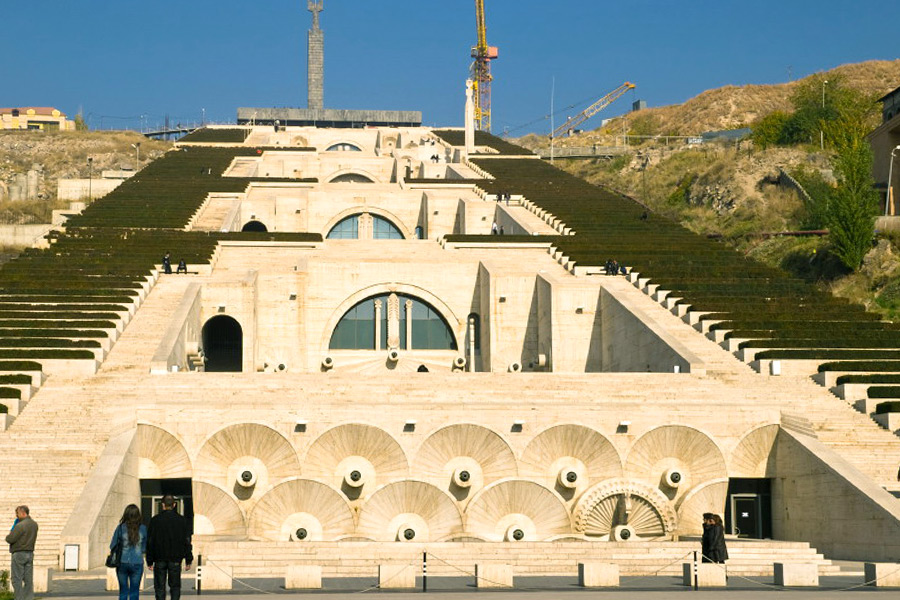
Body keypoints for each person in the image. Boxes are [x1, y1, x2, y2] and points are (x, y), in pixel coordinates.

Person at [147, 496, 193, 600]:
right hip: (175, 558)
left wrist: (149, 560)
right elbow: (187, 541)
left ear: (162, 505)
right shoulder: (182, 521)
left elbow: (150, 541)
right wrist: (188, 559)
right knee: (175, 587)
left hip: (159, 558)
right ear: (174, 505)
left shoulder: (155, 520)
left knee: (159, 587)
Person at [111, 504, 147, 600]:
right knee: (134, 592)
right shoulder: (143, 528)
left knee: (123, 591)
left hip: (122, 562)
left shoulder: (120, 528)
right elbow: (144, 547)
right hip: (137, 562)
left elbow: (113, 545)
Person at [6, 505, 38, 600]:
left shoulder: (20, 525)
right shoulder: (34, 524)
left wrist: (12, 530)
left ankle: (19, 598)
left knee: (17, 579)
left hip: (19, 553)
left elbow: (10, 539)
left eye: (18, 513)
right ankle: (28, 598)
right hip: (30, 553)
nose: (16, 515)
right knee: (28, 579)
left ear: (23, 513)